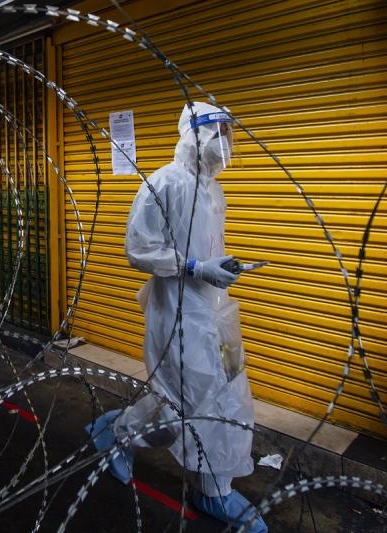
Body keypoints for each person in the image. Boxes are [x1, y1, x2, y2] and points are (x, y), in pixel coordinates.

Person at [85, 102, 267, 532]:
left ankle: (215, 489)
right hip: (179, 312)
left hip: (215, 311)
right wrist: (193, 267)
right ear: (194, 134)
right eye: (219, 132)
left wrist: (219, 265)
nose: (226, 142)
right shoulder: (164, 182)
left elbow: (205, 244)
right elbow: (139, 248)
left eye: (229, 133)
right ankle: (117, 431)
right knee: (187, 403)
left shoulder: (212, 189)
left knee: (225, 394)